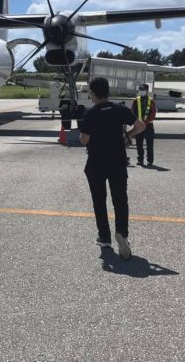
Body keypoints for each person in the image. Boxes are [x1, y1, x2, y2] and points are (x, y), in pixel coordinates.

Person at [79, 77, 146, 260]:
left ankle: (105, 238)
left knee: (99, 201)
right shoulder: (120, 110)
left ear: (93, 94)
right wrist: (128, 135)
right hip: (117, 162)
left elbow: (84, 139)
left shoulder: (90, 113)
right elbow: (140, 126)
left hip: (95, 164)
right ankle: (122, 233)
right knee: (120, 200)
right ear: (108, 91)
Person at [131, 83, 156, 166]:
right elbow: (133, 113)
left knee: (149, 144)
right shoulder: (135, 101)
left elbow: (153, 114)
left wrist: (146, 122)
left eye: (143, 90)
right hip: (138, 125)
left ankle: (150, 160)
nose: (141, 91)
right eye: (140, 90)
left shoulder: (151, 101)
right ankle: (140, 160)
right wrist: (138, 122)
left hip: (148, 125)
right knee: (139, 143)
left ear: (146, 91)